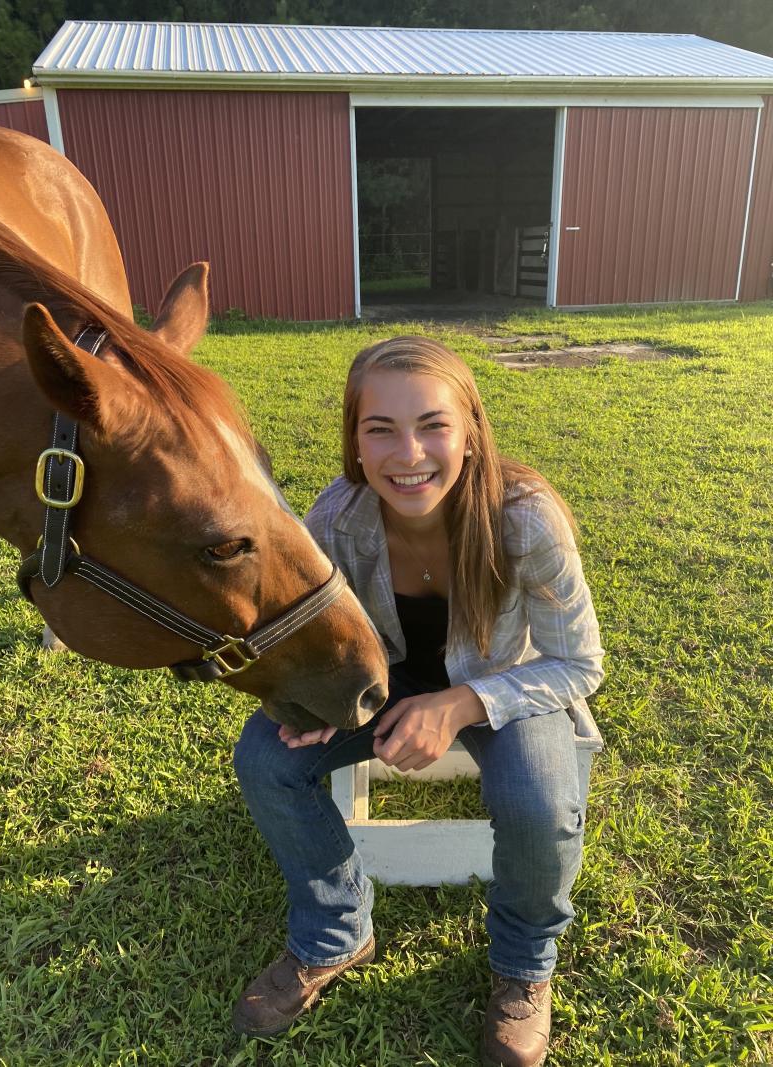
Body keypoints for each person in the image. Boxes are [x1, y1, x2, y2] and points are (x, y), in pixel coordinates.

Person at [232, 336, 605, 1067]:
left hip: (508, 684)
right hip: (387, 678)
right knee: (265, 758)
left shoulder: (524, 518)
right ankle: (335, 930)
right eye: (381, 429)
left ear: (470, 432)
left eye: (433, 424)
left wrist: (462, 703)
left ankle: (525, 963)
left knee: (538, 800)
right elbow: (313, 639)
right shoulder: (338, 518)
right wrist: (309, 702)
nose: (409, 453)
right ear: (356, 443)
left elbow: (578, 663)